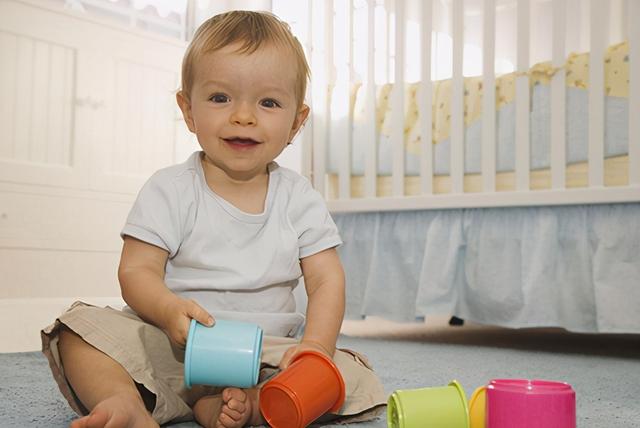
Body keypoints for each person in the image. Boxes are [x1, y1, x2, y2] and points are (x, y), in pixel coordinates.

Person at [41, 10, 385, 428]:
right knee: (79, 329)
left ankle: (254, 404)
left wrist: (314, 346)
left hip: (267, 356)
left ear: (296, 122)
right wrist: (167, 310)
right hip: (178, 346)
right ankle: (122, 401)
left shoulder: (299, 199)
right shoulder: (170, 189)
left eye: (268, 102)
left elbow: (327, 279)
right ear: (188, 110)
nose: (243, 115)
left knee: (350, 375)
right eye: (220, 98)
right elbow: (137, 269)